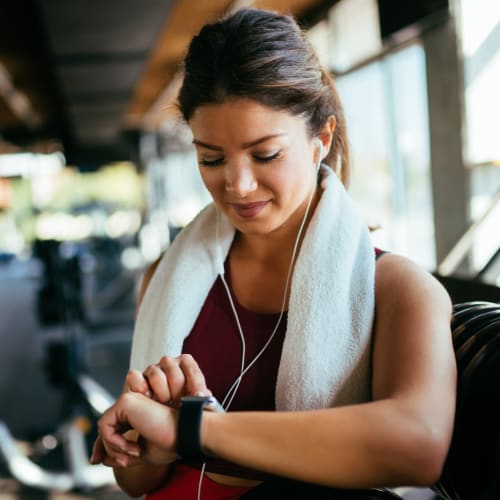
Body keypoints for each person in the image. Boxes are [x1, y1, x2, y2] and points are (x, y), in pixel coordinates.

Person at [90, 7, 456, 500]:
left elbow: (418, 446)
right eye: (211, 158)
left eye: (266, 155)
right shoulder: (164, 277)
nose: (237, 185)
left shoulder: (397, 288)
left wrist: (193, 432)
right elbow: (133, 482)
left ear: (320, 140)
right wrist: (142, 443)